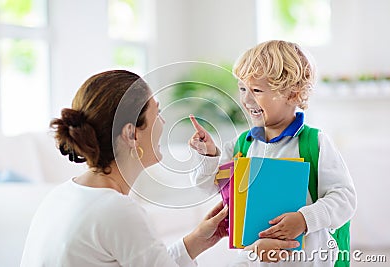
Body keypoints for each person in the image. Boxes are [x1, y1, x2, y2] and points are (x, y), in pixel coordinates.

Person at [20, 69, 294, 267]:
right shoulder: (116, 210)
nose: (163, 123)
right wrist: (253, 258)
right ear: (131, 134)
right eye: (157, 113)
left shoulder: (62, 195)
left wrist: (196, 241)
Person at [189, 40, 357, 266]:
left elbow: (344, 198)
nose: (246, 100)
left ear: (293, 94)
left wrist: (304, 219)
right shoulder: (242, 145)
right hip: (254, 260)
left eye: (257, 90)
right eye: (242, 89)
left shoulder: (314, 143)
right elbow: (208, 186)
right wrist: (208, 156)